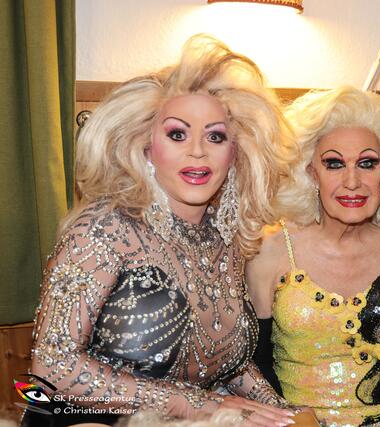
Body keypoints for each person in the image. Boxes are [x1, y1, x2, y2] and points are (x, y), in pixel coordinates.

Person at [26, 35, 299, 427]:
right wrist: (198, 405)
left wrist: (282, 413)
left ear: (237, 152)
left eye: (215, 136)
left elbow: (231, 366)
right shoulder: (102, 230)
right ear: (145, 145)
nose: (198, 151)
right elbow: (52, 367)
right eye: (177, 134)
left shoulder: (226, 239)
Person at [248, 87, 380, 426]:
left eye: (367, 163)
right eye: (334, 164)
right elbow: (257, 367)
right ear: (310, 172)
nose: (353, 181)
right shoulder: (270, 249)